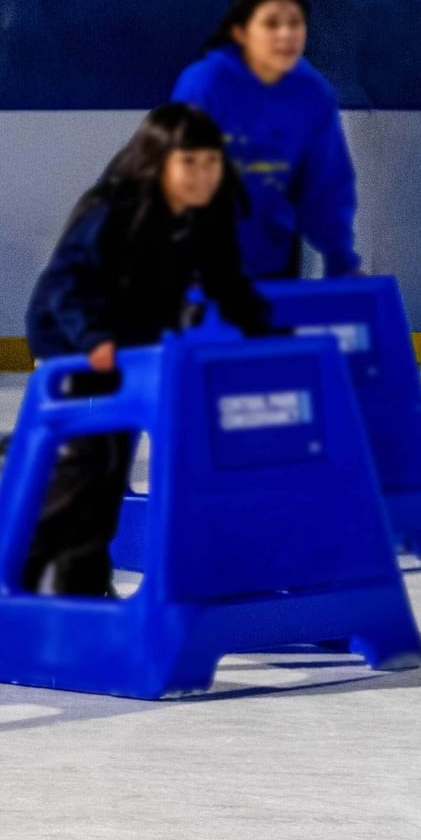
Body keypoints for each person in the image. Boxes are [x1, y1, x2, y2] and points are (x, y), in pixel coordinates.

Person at [19, 103, 273, 595]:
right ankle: (29, 576)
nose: (202, 175)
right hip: (72, 342)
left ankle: (84, 577)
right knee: (92, 466)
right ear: (159, 162)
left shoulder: (191, 218)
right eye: (189, 163)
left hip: (132, 344)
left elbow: (210, 286)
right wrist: (94, 341)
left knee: (120, 464)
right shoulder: (111, 213)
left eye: (210, 163)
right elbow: (67, 288)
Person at [171, 0, 361, 280]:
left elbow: (326, 183)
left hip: (277, 259)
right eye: (271, 23)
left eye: (294, 23)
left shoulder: (310, 93)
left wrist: (341, 260)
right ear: (241, 31)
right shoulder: (204, 85)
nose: (285, 35)